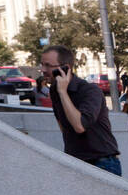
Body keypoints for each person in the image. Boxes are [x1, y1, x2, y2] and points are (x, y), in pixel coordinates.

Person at [40, 46, 122, 175]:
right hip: (75, 161)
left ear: (65, 67)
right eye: (42, 65)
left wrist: (63, 92)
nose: (43, 70)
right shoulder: (55, 90)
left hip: (101, 162)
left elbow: (79, 126)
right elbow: (63, 126)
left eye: (48, 65)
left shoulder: (90, 90)